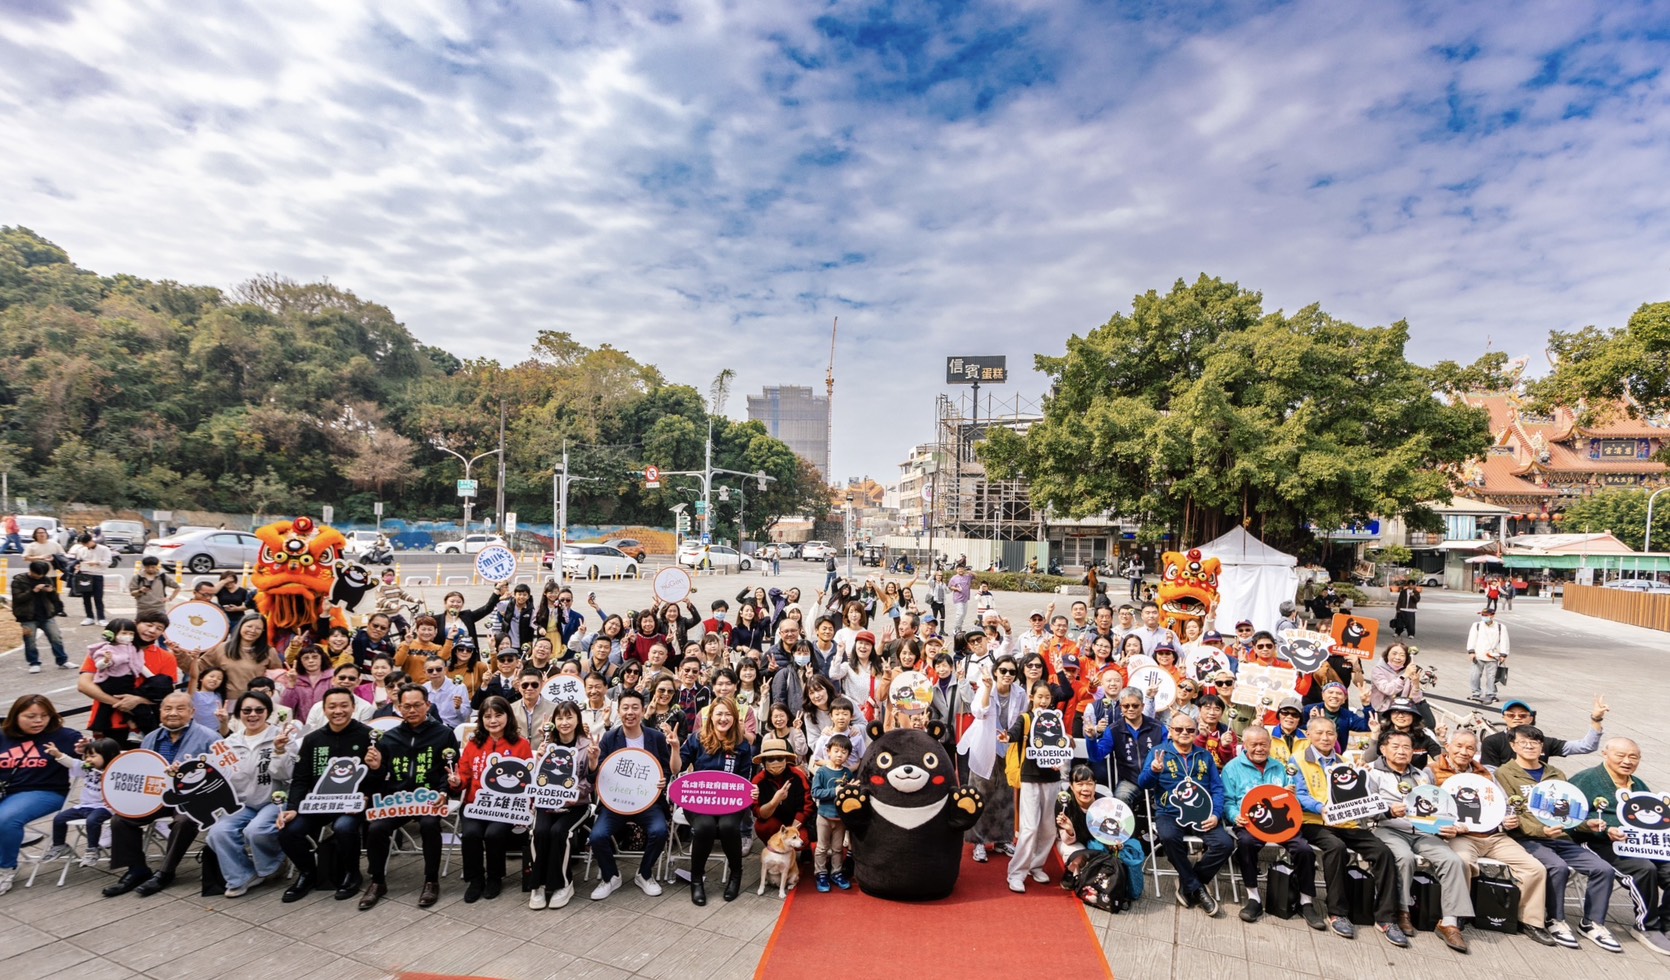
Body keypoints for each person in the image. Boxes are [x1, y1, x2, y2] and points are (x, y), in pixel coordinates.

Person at [1495, 724, 1622, 952]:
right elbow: (1512, 814)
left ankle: (1592, 923)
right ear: (1513, 746)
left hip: (1561, 838)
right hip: (1527, 839)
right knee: (1557, 867)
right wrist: (1541, 831)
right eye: (1523, 742)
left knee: (1603, 869)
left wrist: (1587, 824)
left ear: (1542, 747)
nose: (1529, 746)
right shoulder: (1504, 773)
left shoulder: (1556, 774)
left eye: (1535, 742)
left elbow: (1568, 812)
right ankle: (1555, 919)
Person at [1429, 728, 1556, 946]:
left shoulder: (1486, 774)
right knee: (1462, 861)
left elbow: (1502, 804)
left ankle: (1530, 921)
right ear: (1447, 747)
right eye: (1459, 746)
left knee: (1534, 868)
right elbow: (1424, 807)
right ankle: (1456, 916)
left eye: (1470, 748)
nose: (1464, 752)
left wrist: (1507, 820)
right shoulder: (1431, 771)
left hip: (1494, 836)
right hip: (1460, 836)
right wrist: (1443, 826)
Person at [1292, 715, 1406, 946]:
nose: (1325, 737)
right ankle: (1337, 913)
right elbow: (1299, 794)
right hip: (1315, 821)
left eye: (1330, 733)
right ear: (1308, 735)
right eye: (1319, 733)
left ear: (1336, 736)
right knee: (1336, 848)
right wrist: (1320, 808)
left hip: (1347, 822)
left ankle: (1386, 918)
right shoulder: (1297, 760)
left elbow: (1360, 797)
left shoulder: (1345, 762)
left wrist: (1362, 776)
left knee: (1383, 852)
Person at [102, 693, 221, 897]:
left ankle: (165, 872)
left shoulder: (210, 738)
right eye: (167, 709)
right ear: (160, 712)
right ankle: (136, 869)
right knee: (120, 819)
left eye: (180, 709)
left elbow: (219, 775)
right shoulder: (151, 738)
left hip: (192, 797)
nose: (173, 713)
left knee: (184, 820)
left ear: (192, 712)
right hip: (155, 795)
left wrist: (188, 774)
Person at [1365, 728, 1471, 953]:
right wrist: (1388, 812)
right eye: (1395, 747)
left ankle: (1450, 922)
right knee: (1404, 857)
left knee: (1453, 860)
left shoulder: (1422, 775)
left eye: (1407, 747)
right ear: (1383, 749)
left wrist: (1447, 826)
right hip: (1388, 828)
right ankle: (1402, 911)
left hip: (1423, 832)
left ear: (1414, 751)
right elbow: (1365, 809)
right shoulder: (1372, 772)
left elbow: (1436, 807)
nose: (1402, 751)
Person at [359, 683, 459, 910]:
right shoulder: (389, 738)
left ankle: (431, 881)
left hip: (429, 799)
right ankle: (377, 881)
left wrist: (444, 792)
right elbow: (377, 779)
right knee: (376, 828)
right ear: (399, 707)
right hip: (397, 800)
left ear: (428, 705)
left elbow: (451, 770)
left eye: (417, 705)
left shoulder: (444, 734)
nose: (412, 710)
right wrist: (375, 768)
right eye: (406, 706)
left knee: (429, 825)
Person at [1569, 738, 1670, 955]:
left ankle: (1667, 923)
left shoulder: (1638, 785)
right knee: (1644, 869)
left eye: (1633, 757)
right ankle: (1647, 926)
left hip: (1638, 842)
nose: (1627, 761)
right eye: (1620, 755)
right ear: (1605, 754)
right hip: (1596, 841)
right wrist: (1602, 828)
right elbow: (1568, 815)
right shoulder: (1586, 779)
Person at [275, 688, 376, 902]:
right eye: (332, 706)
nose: (338, 711)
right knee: (288, 831)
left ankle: (352, 873)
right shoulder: (313, 739)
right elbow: (300, 778)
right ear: (324, 709)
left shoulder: (368, 736)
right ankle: (307, 873)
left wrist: (366, 796)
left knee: (344, 827)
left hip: (354, 802)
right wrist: (292, 808)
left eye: (344, 705)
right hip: (319, 802)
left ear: (353, 707)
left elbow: (380, 773)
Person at [1222, 725, 1324, 927]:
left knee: (1304, 849)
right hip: (1250, 822)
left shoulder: (1280, 767)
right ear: (1244, 745)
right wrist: (1235, 816)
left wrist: (1291, 795)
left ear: (1270, 744)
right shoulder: (1231, 768)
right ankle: (1253, 898)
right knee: (1246, 844)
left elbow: (1292, 801)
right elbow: (1228, 801)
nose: (1259, 749)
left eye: (1263, 744)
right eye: (1254, 745)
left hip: (1281, 822)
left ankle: (1306, 901)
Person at [1136, 709, 1234, 915]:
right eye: (1179, 729)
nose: (1184, 733)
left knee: (1225, 844)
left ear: (1196, 732)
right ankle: (1197, 888)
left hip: (1202, 813)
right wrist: (1153, 770)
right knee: (1169, 838)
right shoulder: (1159, 753)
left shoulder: (1204, 755)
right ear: (1170, 731)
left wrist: (1216, 814)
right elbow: (1143, 784)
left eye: (1190, 730)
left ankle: (1189, 882)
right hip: (1170, 812)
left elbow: (1217, 788)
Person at [207, 690, 299, 898]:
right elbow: (219, 775)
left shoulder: (282, 737)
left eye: (259, 710)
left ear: (268, 712)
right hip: (242, 803)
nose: (253, 715)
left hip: (274, 801)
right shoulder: (229, 743)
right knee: (218, 832)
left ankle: (274, 864)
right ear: (239, 713)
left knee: (256, 830)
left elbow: (288, 775)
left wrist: (279, 751)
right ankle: (241, 875)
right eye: (247, 710)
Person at [589, 689, 678, 901]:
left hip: (648, 802)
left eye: (635, 708)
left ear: (643, 710)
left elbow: (667, 769)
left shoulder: (656, 737)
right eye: (625, 708)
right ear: (619, 711)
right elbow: (597, 774)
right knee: (597, 836)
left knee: (659, 831)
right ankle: (611, 876)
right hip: (616, 802)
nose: (630, 712)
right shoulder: (610, 738)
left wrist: (663, 779)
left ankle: (644, 874)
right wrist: (593, 762)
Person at [452, 695, 534, 903]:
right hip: (475, 805)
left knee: (494, 834)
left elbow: (528, 779)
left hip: (505, 807)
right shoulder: (474, 744)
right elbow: (464, 775)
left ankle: (495, 878)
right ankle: (475, 879)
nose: (493, 720)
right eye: (487, 716)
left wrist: (527, 807)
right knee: (470, 834)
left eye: (498, 715)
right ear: (481, 719)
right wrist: (457, 781)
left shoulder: (521, 745)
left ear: (508, 716)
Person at [0, 695, 85, 893]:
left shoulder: (66, 737)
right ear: (15, 716)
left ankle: (6, 869)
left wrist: (85, 750)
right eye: (31, 716)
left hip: (45, 791)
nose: (38, 721)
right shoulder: (3, 736)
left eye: (44, 716)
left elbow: (93, 763)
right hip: (6, 790)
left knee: (6, 820)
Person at [677, 696, 756, 906]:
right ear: (710, 716)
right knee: (705, 827)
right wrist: (675, 748)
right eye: (719, 713)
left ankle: (736, 874)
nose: (723, 718)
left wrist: (752, 791)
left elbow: (744, 780)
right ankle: (696, 879)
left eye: (728, 714)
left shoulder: (742, 745)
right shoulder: (697, 739)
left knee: (729, 826)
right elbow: (678, 767)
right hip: (699, 800)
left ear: (735, 718)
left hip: (730, 802)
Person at [528, 699, 597, 910]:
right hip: (547, 803)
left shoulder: (586, 746)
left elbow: (591, 782)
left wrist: (591, 766)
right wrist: (539, 759)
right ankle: (538, 885)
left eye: (569, 717)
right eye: (560, 718)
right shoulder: (547, 744)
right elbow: (538, 779)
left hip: (576, 805)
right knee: (539, 832)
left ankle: (563, 884)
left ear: (578, 720)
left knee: (560, 832)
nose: (564, 722)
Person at [1088, 686, 1167, 808]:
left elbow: (1170, 752)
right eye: (1126, 706)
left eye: (1135, 706)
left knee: (1171, 799)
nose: (1130, 709)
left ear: (1142, 706)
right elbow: (1096, 757)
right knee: (1120, 801)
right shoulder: (1114, 729)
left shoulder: (1158, 727)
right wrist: (1091, 739)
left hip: (1159, 778)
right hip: (1130, 781)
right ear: (1121, 707)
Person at [1479, 698, 1606, 769]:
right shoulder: (1492, 742)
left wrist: (1596, 719)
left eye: (1522, 715)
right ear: (1504, 718)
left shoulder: (1545, 741)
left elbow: (1586, 746)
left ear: (1530, 719)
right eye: (1511, 715)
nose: (1517, 718)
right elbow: (1490, 772)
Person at [196, 613, 281, 701]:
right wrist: (187, 655)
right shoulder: (222, 648)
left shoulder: (269, 652)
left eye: (258, 628)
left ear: (263, 631)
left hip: (256, 702)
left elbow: (279, 678)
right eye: (249, 626)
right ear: (240, 626)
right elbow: (199, 668)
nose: (253, 630)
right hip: (225, 701)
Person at [751, 735, 814, 853]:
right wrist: (775, 801)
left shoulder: (798, 776)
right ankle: (775, 849)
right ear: (764, 762)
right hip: (774, 822)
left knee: (803, 840)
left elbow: (807, 806)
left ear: (786, 759)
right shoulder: (758, 781)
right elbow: (758, 812)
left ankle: (805, 852)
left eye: (780, 758)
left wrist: (792, 831)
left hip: (797, 823)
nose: (776, 762)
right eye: (770, 759)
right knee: (762, 827)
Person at [810, 733, 854, 892]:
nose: (839, 755)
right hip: (824, 816)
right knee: (822, 848)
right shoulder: (822, 772)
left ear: (848, 755)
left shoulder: (847, 773)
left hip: (840, 818)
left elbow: (849, 795)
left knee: (837, 848)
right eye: (836, 751)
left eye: (844, 752)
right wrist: (835, 791)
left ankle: (836, 872)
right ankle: (821, 873)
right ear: (828, 751)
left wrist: (851, 790)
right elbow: (815, 792)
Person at [11, 560, 70, 673]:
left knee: (56, 638)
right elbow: (17, 598)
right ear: (31, 570)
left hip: (46, 615)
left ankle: (62, 661)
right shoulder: (19, 580)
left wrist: (51, 591)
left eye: (42, 575)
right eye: (38, 574)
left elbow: (54, 598)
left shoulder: (46, 579)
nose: (40, 577)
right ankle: (34, 663)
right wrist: (34, 591)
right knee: (30, 641)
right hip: (27, 616)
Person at [67, 532, 113, 625]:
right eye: (83, 544)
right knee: (86, 598)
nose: (86, 546)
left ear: (91, 540)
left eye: (87, 543)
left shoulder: (104, 549)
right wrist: (77, 566)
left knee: (98, 598)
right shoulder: (81, 550)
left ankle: (101, 618)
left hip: (97, 574)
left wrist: (97, 563)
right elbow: (79, 561)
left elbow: (108, 562)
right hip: (84, 574)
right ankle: (89, 617)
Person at [1465, 608, 1509, 704]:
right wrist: (1471, 652)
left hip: (1493, 655)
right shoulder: (1476, 625)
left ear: (1492, 615)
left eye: (1486, 615)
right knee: (1475, 675)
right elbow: (1472, 639)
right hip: (1478, 654)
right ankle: (1476, 693)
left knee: (1491, 676)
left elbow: (1504, 641)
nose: (1484, 617)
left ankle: (1491, 694)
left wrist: (1503, 654)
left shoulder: (1500, 627)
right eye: (1482, 615)